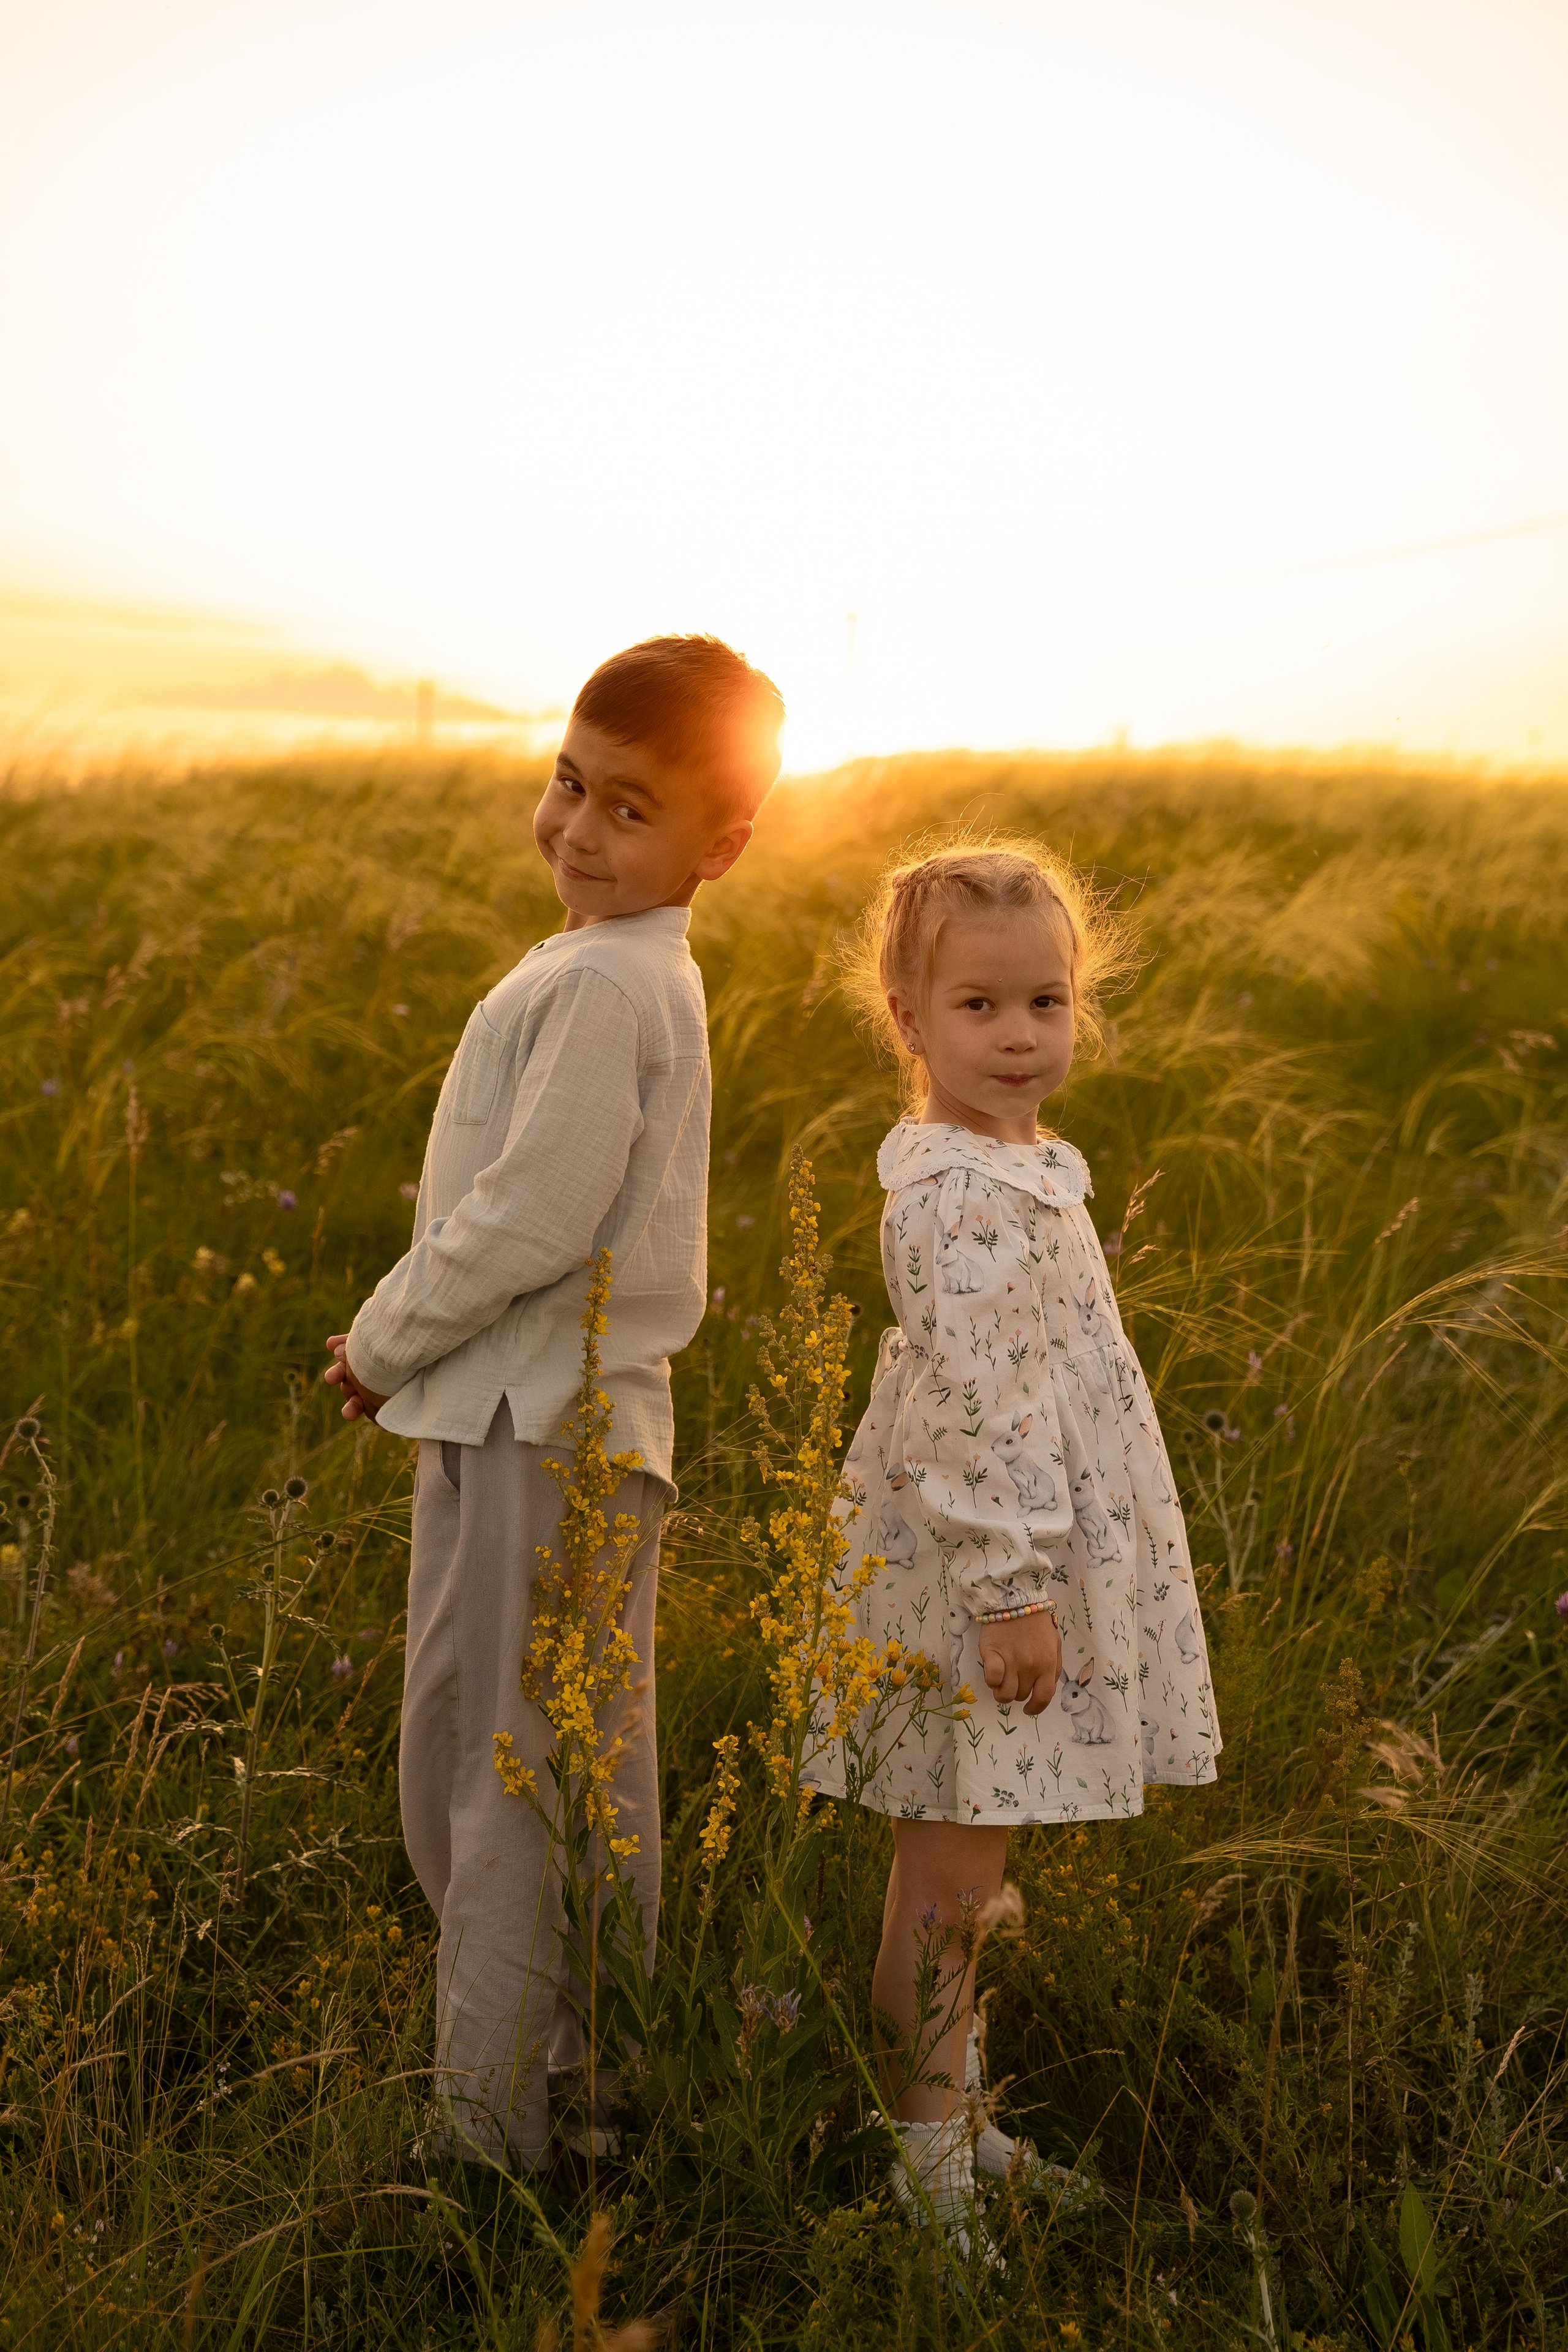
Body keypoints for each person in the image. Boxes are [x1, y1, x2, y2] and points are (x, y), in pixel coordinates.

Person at [323, 635, 784, 2169]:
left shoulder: (605, 982)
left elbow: (532, 1216)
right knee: (536, 1760)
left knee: (506, 1777)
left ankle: (496, 2131)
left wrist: (383, 1338)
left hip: (541, 1424)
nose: (578, 830)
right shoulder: (611, 966)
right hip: (537, 1423)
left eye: (628, 810)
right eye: (567, 783)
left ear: (719, 845)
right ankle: (582, 2080)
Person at [805, 840, 1221, 2244]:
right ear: (907, 1019)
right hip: (977, 1574)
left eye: (1043, 1001)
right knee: (946, 1887)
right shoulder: (952, 1194)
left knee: (976, 1876)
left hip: (1021, 1553)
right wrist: (1008, 1594)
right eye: (977, 1007)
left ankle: (958, 2121)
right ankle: (925, 2189)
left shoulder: (1022, 1163)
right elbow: (977, 1414)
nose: (1018, 1035)